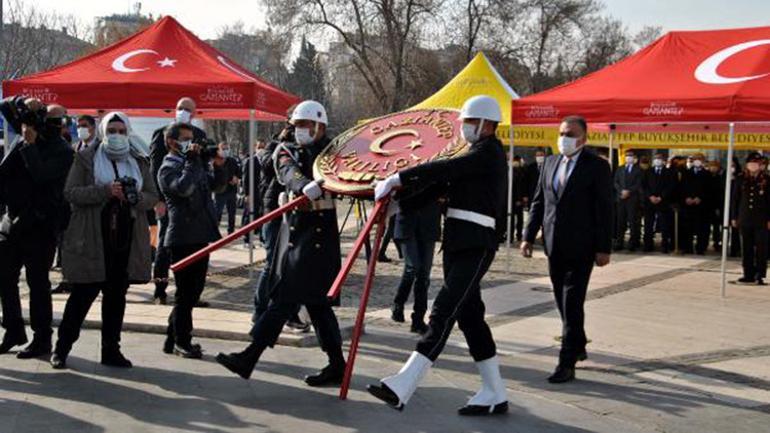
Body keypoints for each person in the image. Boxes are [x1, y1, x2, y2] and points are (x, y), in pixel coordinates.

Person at [368, 95, 509, 416]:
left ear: (487, 124)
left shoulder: (489, 152)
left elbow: (447, 168)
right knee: (471, 317)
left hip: (476, 244)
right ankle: (494, 392)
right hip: (459, 243)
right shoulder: (474, 153)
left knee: (442, 310)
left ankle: (404, 383)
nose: (465, 129)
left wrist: (399, 178)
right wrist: (398, 206)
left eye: (470, 123)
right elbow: (439, 186)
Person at [215, 100, 347, 386]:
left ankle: (249, 356)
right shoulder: (286, 149)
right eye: (296, 125)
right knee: (313, 304)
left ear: (319, 127)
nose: (299, 131)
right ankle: (337, 364)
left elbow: (350, 174)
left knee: (293, 299)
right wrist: (301, 186)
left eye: (305, 126)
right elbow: (286, 170)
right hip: (298, 233)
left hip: (321, 239)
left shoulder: (333, 153)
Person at [51, 112, 158, 369]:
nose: (117, 136)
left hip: (126, 236)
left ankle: (111, 350)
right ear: (103, 131)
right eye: (112, 130)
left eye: (122, 131)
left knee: (116, 296)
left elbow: (152, 196)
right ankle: (62, 348)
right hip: (92, 236)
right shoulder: (86, 158)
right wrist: (105, 191)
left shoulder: (138, 160)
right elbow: (71, 193)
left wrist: (133, 198)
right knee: (82, 295)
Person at [522, 115, 612, 384]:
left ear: (583, 139)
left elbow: (605, 209)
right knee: (562, 300)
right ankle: (579, 340)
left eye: (570, 134)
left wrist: (603, 247)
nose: (564, 138)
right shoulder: (549, 163)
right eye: (561, 133)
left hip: (583, 245)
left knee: (572, 300)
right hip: (553, 243)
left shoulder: (596, 166)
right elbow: (539, 201)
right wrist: (528, 235)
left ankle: (566, 360)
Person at [0, 101, 74, 357]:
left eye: (58, 121)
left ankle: (42, 339)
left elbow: (41, 174)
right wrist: (22, 104)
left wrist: (30, 145)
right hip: (14, 222)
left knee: (38, 284)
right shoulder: (25, 136)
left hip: (41, 226)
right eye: (46, 118)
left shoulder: (62, 150)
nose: (52, 125)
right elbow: (4, 106)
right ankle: (13, 329)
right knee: (4, 277)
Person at [158, 122, 226, 358]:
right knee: (186, 294)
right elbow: (184, 189)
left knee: (193, 292)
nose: (190, 143)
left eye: (192, 138)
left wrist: (217, 164)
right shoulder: (167, 167)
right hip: (182, 237)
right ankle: (182, 341)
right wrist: (192, 161)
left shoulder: (194, 164)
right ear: (171, 142)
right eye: (185, 139)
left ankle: (172, 338)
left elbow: (216, 186)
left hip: (200, 234)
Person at [149, 97, 207, 305]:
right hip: (170, 198)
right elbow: (155, 167)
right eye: (180, 108)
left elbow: (203, 167)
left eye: (188, 110)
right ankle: (160, 288)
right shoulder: (163, 134)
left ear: (195, 113)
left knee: (195, 248)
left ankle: (192, 293)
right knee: (165, 245)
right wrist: (159, 199)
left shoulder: (199, 135)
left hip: (194, 203)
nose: (183, 112)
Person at [389, 196, 441, 334]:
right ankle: (398, 303)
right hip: (407, 222)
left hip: (429, 223)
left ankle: (418, 319)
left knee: (424, 275)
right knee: (412, 267)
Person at [731, 152, 770, 285]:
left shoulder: (767, 179)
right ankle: (748, 274)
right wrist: (734, 217)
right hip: (745, 218)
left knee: (761, 248)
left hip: (762, 219)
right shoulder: (740, 179)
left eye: (756, 163)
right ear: (747, 165)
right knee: (746, 248)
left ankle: (760, 274)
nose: (753, 166)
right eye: (751, 163)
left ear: (760, 165)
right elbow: (735, 200)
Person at [642, 153, 675, 253]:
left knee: (664, 225)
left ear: (664, 160)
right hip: (650, 202)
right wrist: (650, 196)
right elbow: (644, 186)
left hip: (663, 202)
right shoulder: (648, 171)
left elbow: (671, 186)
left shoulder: (669, 172)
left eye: (660, 159)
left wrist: (661, 197)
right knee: (648, 224)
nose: (657, 160)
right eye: (656, 158)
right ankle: (648, 245)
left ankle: (665, 245)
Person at [679, 153, 710, 254]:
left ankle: (701, 248)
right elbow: (682, 187)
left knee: (702, 228)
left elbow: (710, 190)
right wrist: (686, 197)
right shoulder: (686, 173)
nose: (697, 161)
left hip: (702, 206)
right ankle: (687, 247)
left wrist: (700, 198)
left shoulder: (707, 174)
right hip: (688, 205)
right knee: (687, 228)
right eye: (696, 159)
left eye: (700, 159)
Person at [614, 150, 643, 251]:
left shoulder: (638, 170)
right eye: (627, 156)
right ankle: (619, 242)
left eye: (630, 156)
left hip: (632, 199)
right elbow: (616, 182)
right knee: (620, 221)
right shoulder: (620, 168)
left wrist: (629, 191)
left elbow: (638, 184)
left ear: (634, 158)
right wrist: (621, 191)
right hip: (621, 198)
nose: (628, 158)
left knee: (632, 222)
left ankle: (633, 243)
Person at [213, 141, 242, 235]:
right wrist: (229, 178)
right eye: (223, 149)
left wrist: (237, 178)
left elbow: (239, 172)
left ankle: (231, 232)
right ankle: (215, 231)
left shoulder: (232, 161)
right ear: (219, 150)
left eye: (227, 149)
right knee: (218, 212)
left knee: (232, 212)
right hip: (220, 191)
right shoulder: (216, 161)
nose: (225, 151)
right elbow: (216, 175)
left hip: (232, 190)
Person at [241, 139, 265, 244]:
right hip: (252, 192)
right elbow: (245, 179)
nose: (261, 149)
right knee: (250, 215)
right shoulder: (249, 161)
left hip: (263, 193)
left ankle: (261, 237)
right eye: (259, 147)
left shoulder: (267, 159)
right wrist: (247, 194)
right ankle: (247, 239)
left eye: (263, 147)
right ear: (255, 148)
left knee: (262, 215)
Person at [707, 160, 725, 251]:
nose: (713, 168)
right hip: (707, 205)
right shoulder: (706, 176)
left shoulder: (720, 178)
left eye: (715, 166)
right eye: (711, 166)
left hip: (717, 205)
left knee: (717, 225)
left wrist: (718, 206)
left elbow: (720, 193)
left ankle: (717, 242)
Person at [510, 155, 527, 242]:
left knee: (519, 218)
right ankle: (511, 236)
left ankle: (519, 235)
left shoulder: (522, 171)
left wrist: (520, 199)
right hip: (510, 198)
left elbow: (522, 186)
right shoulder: (509, 170)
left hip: (518, 198)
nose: (516, 163)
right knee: (511, 218)